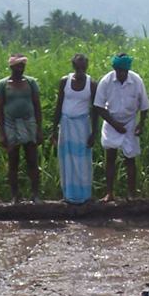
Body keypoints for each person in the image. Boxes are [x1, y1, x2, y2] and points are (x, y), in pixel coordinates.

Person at [94, 53, 149, 202]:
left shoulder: (136, 80)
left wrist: (140, 124)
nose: (121, 74)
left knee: (130, 158)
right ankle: (110, 193)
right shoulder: (106, 81)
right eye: (118, 71)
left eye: (124, 71)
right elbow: (99, 106)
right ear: (114, 69)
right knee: (110, 157)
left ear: (128, 70)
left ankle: (131, 194)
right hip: (111, 121)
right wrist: (114, 124)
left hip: (130, 122)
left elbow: (144, 106)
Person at [0, 54, 43, 203]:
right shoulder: (2, 85)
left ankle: (35, 194)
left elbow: (37, 106)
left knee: (32, 160)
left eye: (23, 66)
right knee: (13, 160)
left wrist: (39, 130)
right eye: (18, 66)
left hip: (29, 123)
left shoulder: (31, 83)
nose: (21, 69)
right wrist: (2, 134)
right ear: (11, 67)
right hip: (10, 124)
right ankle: (15, 195)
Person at [51, 53, 99, 204]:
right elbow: (59, 106)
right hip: (66, 126)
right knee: (66, 160)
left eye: (83, 67)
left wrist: (94, 132)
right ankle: (68, 195)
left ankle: (84, 195)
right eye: (77, 67)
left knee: (82, 161)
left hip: (82, 126)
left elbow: (95, 110)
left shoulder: (91, 84)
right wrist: (53, 129)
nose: (80, 70)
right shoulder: (65, 81)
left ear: (86, 67)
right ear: (73, 66)